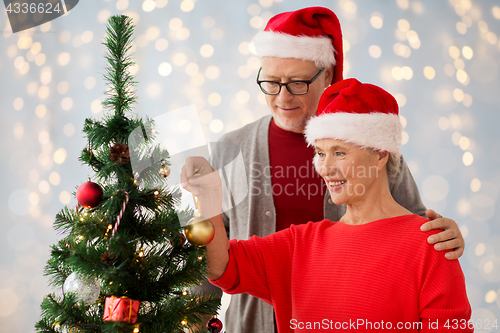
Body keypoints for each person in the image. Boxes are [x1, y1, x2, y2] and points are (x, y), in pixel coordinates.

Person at [195, 7, 465, 333]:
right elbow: (214, 260)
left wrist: (445, 238)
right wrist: (190, 320)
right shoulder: (234, 150)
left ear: (327, 75)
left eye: (296, 83)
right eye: (271, 82)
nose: (282, 97)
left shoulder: (373, 143)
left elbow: (414, 228)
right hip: (254, 321)